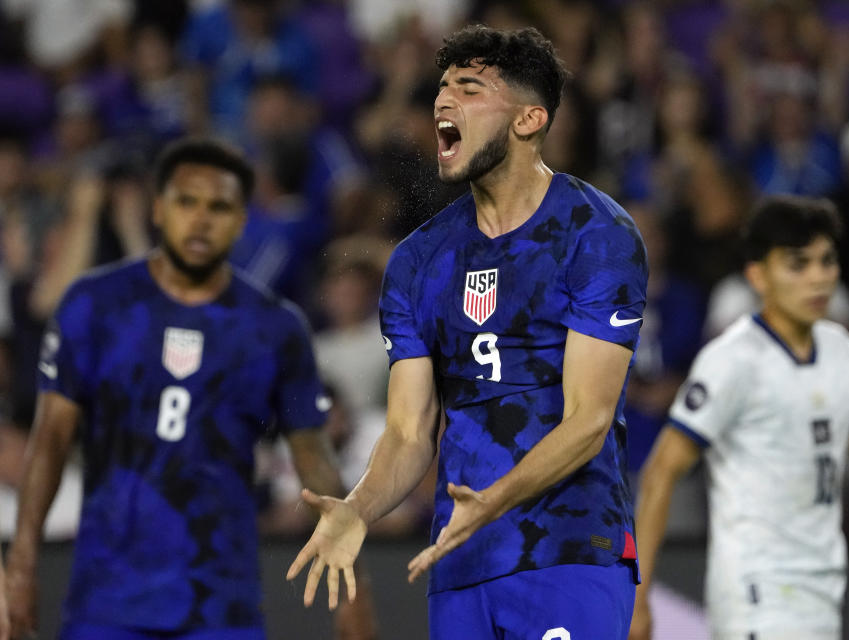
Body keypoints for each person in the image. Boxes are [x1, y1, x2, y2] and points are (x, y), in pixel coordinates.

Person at [287, 25, 649, 639]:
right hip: (460, 562)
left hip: (568, 548)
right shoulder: (416, 261)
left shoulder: (597, 235)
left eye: (470, 87)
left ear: (529, 120)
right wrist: (358, 509)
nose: (442, 101)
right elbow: (408, 430)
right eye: (442, 87)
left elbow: (589, 419)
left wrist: (497, 498)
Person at [3, 138, 375, 640]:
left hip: (221, 604)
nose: (201, 220)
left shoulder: (273, 327)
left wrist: (353, 580)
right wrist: (21, 563)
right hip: (107, 601)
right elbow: (49, 440)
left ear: (243, 219)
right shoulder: (95, 306)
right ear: (157, 208)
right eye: (186, 202)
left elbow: (313, 457)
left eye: (219, 206)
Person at [628, 196, 849, 640]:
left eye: (826, 262)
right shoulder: (732, 360)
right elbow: (660, 474)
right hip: (754, 596)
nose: (818, 278)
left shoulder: (847, 355)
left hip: (822, 593)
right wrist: (638, 596)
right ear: (758, 275)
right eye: (798, 265)